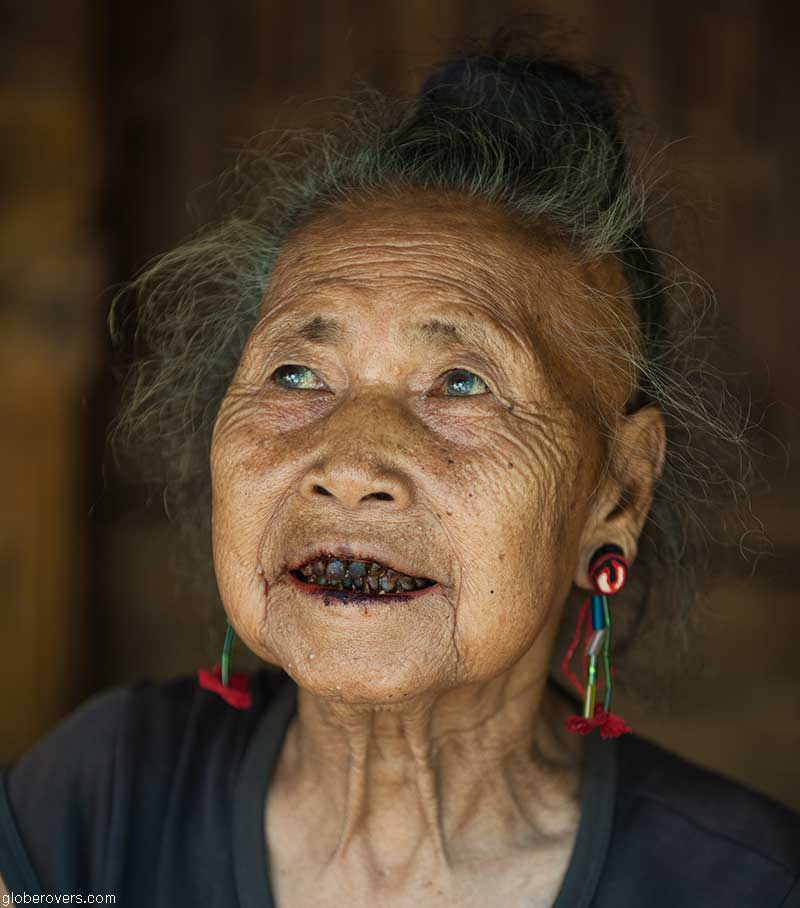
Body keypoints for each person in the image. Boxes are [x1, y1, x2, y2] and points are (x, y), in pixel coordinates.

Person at [1, 33, 798, 908]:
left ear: (617, 495)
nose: (348, 466)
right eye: (296, 374)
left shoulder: (747, 885)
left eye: (462, 383)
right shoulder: (99, 800)